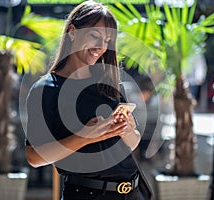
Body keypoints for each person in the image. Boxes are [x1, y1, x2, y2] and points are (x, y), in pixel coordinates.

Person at [25, 1, 148, 199]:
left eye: (107, 40)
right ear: (72, 32)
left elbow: (133, 143)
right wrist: (85, 136)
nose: (101, 46)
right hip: (87, 194)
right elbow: (33, 157)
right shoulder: (46, 89)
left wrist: (127, 130)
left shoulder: (110, 84)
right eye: (94, 36)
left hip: (132, 192)